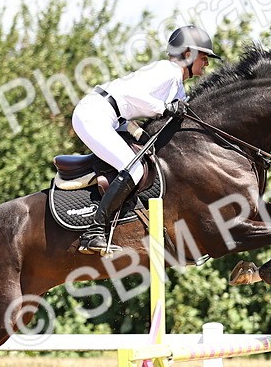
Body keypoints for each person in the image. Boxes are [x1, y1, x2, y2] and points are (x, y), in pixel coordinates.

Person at [71, 25, 220, 255]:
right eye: (204, 57)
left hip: (113, 118)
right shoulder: (167, 71)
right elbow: (130, 94)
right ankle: (94, 231)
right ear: (188, 54)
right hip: (94, 114)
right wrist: (164, 107)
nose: (207, 63)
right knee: (134, 170)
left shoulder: (177, 83)